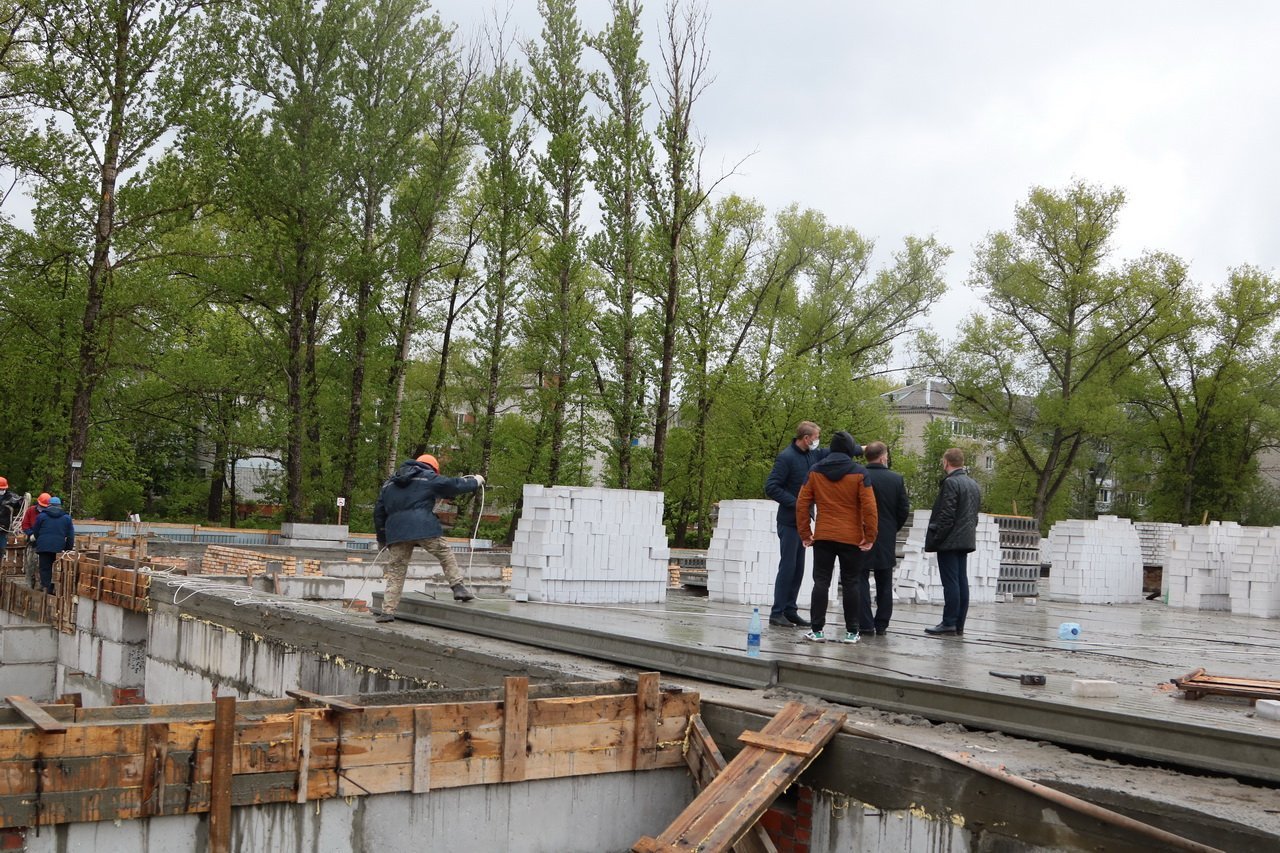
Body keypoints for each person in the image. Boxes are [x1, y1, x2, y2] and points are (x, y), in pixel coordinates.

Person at [373, 454, 484, 623]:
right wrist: (475, 481)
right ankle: (458, 587)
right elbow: (453, 485)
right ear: (432, 468)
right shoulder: (428, 477)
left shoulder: (389, 483)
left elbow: (379, 513)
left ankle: (387, 611)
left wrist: (382, 538)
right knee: (444, 553)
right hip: (423, 526)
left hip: (397, 532)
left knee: (396, 572)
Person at [795, 431, 878, 643]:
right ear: (850, 450)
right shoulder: (860, 473)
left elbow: (802, 503)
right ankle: (852, 632)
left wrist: (806, 533)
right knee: (851, 583)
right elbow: (869, 507)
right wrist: (870, 535)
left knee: (821, 581)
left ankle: (817, 630)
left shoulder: (815, 471)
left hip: (824, 535)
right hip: (852, 537)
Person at [766, 421, 847, 627]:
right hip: (789, 521)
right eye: (816, 437)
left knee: (798, 568)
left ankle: (790, 610)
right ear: (806, 438)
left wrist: (862, 449)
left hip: (803, 522)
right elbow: (772, 487)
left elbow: (832, 452)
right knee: (788, 567)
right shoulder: (786, 458)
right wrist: (797, 504)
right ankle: (777, 613)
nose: (817, 441)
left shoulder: (812, 455)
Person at [923, 447, 981, 637]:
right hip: (966, 539)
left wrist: (938, 537)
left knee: (951, 583)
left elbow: (946, 515)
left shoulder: (951, 483)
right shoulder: (973, 484)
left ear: (946, 462)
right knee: (961, 581)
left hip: (949, 540)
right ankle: (959, 624)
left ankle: (948, 622)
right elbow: (974, 516)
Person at [859, 442, 910, 636]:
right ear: (882, 457)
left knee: (859, 577)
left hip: (861, 534)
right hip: (886, 535)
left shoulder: (859, 476)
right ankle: (881, 624)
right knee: (884, 580)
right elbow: (903, 509)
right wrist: (892, 528)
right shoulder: (896, 479)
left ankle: (864, 622)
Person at [30, 495, 75, 595]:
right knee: (59, 568)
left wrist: (37, 541)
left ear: (48, 505)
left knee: (45, 568)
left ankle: (46, 588)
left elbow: (36, 532)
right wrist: (68, 548)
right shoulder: (67, 518)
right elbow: (71, 535)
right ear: (60, 506)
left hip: (44, 547)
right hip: (59, 548)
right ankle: (58, 589)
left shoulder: (41, 516)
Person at [22, 493, 50, 589]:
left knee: (42, 565)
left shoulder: (49, 514)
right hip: (33, 542)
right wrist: (31, 534)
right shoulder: (31, 511)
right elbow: (25, 525)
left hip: (45, 542)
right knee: (30, 563)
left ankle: (42, 585)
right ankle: (29, 584)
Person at [0, 477, 23, 569]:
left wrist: (22, 500)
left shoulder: (10, 497)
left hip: (3, 528)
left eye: (3, 489)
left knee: (1, 549)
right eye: (1, 489)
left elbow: (19, 503)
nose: (2, 491)